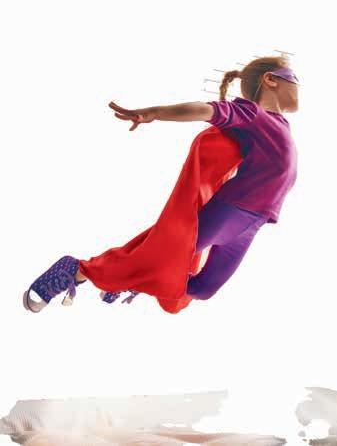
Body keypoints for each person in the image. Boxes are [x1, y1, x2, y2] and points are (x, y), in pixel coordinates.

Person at [23, 56, 300, 313]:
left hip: (253, 224)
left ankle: (137, 279)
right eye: (295, 79)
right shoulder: (252, 114)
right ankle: (76, 270)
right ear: (271, 79)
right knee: (160, 253)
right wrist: (154, 112)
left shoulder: (281, 124)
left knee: (203, 289)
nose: (299, 86)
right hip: (233, 210)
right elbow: (204, 110)